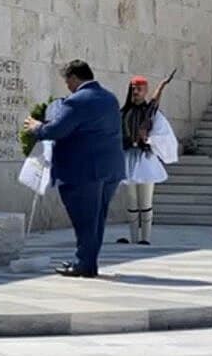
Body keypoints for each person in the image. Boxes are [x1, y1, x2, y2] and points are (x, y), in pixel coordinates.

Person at [23, 60, 125, 278]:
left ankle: (84, 264)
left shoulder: (77, 101)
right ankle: (88, 262)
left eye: (67, 81)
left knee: (85, 219)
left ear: (74, 78)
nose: (67, 86)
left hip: (83, 171)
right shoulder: (110, 98)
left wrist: (37, 128)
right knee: (97, 219)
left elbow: (57, 130)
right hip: (110, 168)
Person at [116, 71, 179, 246]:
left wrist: (162, 84)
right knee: (131, 201)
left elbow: (155, 100)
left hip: (144, 157)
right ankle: (134, 238)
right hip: (128, 156)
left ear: (145, 91)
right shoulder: (123, 113)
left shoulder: (149, 111)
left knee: (145, 200)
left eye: (140, 89)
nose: (136, 92)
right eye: (134, 89)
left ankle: (146, 238)